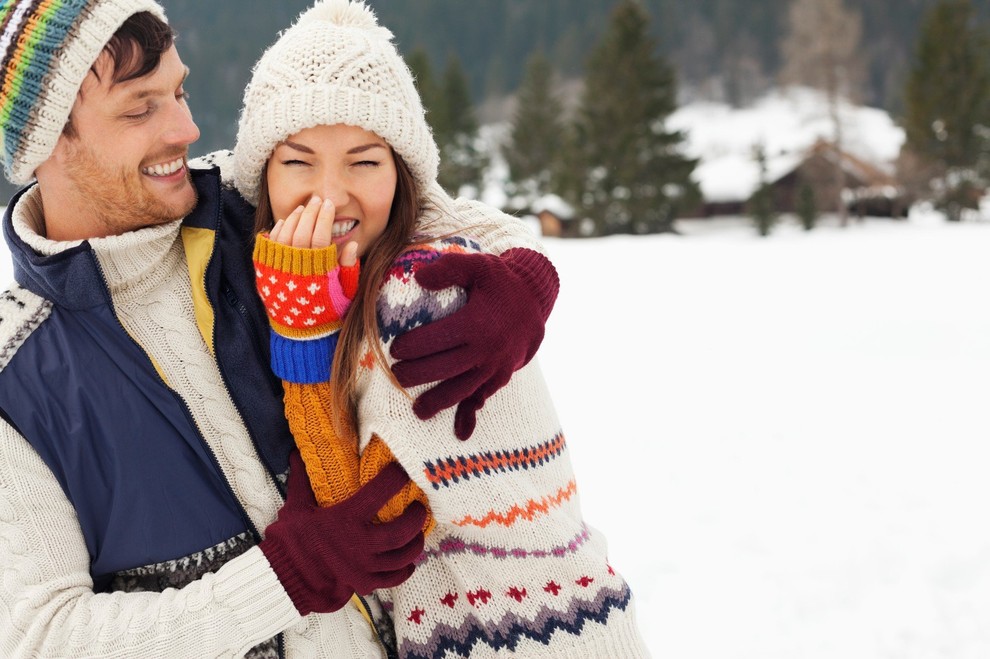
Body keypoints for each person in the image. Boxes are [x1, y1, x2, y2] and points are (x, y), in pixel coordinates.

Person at [0, 1, 558, 656]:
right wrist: (285, 578)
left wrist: (524, 276)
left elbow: (420, 200)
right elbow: (45, 636)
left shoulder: (247, 199)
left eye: (178, 90)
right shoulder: (18, 377)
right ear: (45, 145)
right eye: (139, 107)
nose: (185, 126)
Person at [237, 2, 650, 657]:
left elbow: (370, 525)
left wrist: (303, 326)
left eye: (364, 161)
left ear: (402, 174)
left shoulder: (415, 297)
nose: (331, 194)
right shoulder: (408, 265)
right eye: (299, 161)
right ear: (260, 174)